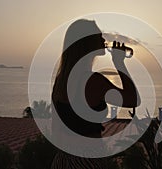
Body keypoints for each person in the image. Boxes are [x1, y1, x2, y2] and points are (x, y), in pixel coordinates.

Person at [51, 19, 140, 169]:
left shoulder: (61, 80)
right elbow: (133, 99)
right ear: (87, 42)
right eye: (99, 36)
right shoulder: (93, 81)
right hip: (87, 161)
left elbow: (56, 128)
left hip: (63, 160)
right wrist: (119, 62)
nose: (104, 40)